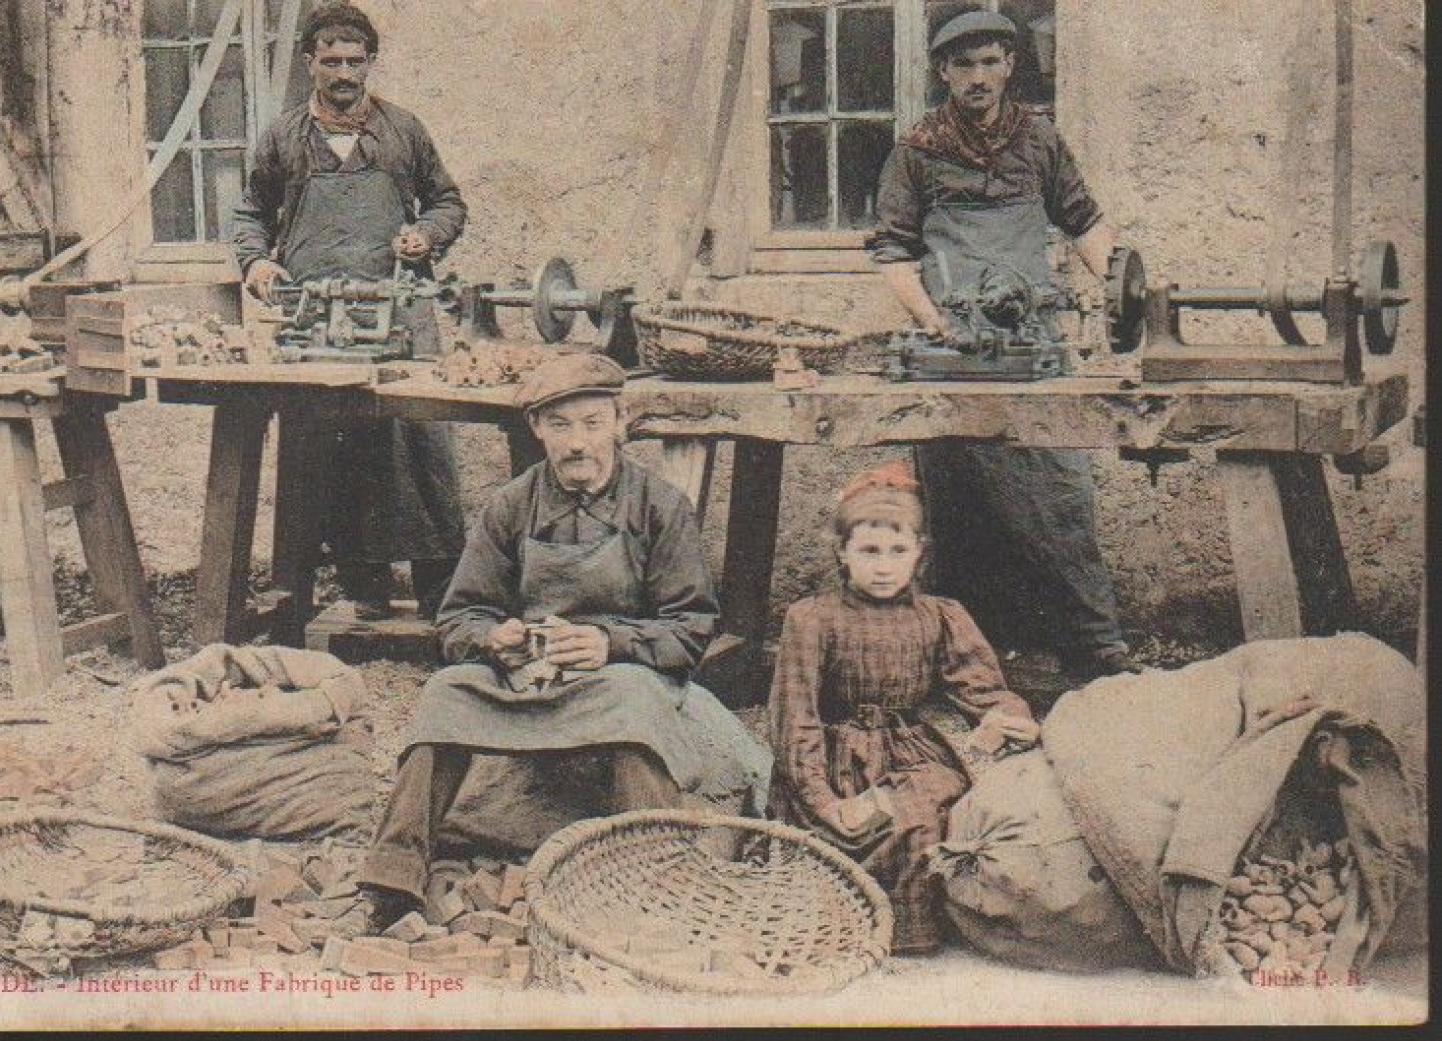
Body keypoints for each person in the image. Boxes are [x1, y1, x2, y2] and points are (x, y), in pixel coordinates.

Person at [356, 353, 771, 929]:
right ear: (536, 430)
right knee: (446, 694)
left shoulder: (660, 507)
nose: (578, 443)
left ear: (621, 423)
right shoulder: (511, 505)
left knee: (633, 701)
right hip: (528, 677)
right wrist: (494, 638)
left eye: (593, 423)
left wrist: (609, 643)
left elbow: (691, 628)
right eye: (560, 425)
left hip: (618, 675)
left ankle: (657, 875)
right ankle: (393, 878)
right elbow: (457, 619)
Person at [869, 10, 1139, 681]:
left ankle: (1093, 647)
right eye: (963, 65)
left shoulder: (1039, 141)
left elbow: (1085, 223)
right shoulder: (916, 152)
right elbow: (893, 253)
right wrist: (932, 320)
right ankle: (968, 657)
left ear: (1009, 65)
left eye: (990, 62)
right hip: (951, 349)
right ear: (941, 73)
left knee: (1057, 489)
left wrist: (1125, 287)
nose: (978, 78)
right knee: (958, 504)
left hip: (1032, 343)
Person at [231, 2, 467, 619]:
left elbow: (448, 203)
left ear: (371, 64)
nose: (343, 72)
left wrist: (428, 235)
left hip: (401, 313)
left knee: (420, 449)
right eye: (330, 60)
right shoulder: (283, 137)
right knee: (336, 453)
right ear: (310, 63)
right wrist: (256, 265)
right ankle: (364, 591)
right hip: (318, 317)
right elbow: (250, 215)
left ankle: (445, 596)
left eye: (354, 61)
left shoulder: (404, 131)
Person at [767, 460, 1039, 954]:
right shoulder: (812, 620)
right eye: (869, 551)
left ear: (920, 555)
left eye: (898, 551)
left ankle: (918, 931)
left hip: (910, 753)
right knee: (866, 826)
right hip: (837, 757)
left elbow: (981, 687)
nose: (884, 565)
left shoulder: (939, 615)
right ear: (843, 554)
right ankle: (857, 926)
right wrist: (823, 801)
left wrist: (1008, 716)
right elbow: (796, 719)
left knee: (942, 808)